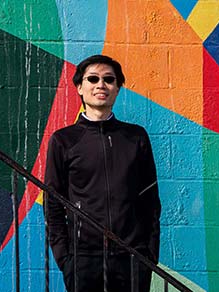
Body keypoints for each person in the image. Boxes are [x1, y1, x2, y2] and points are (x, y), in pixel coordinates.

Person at [44, 55, 161, 292]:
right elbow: (53, 203)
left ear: (117, 88)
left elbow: (150, 199)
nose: (101, 85)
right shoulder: (64, 140)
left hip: (132, 255)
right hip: (84, 258)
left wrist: (148, 254)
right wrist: (65, 258)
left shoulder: (136, 137)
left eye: (109, 79)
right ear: (80, 87)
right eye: (93, 79)